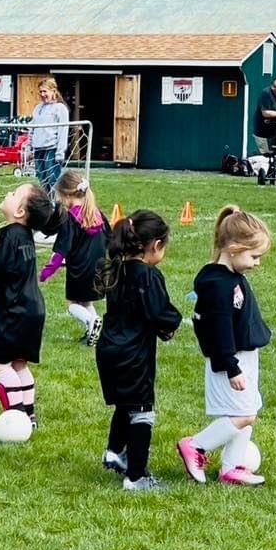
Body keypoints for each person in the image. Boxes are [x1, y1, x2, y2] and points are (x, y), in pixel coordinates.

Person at [177, 206, 274, 488]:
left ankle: (232, 467)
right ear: (233, 248)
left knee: (249, 412)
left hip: (244, 355)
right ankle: (195, 445)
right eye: (254, 256)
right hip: (230, 360)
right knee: (242, 415)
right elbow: (218, 332)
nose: (257, 263)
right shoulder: (217, 284)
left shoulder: (230, 277)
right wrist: (231, 367)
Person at [94, 210, 183, 491]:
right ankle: (136, 476)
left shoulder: (115, 268)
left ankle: (114, 452)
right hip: (134, 354)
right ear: (155, 245)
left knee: (125, 402)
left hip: (109, 349)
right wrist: (170, 325)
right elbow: (159, 312)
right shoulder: (148, 275)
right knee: (141, 409)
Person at [0, 183, 61, 427]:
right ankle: (29, 413)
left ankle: (16, 417)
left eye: (14, 194)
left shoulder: (13, 233)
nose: (8, 193)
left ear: (20, 213)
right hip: (31, 309)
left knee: (0, 363)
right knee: (19, 363)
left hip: (11, 310)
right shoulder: (23, 235)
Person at [39, 170, 109, 344]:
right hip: (99, 269)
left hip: (80, 271)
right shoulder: (97, 214)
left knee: (73, 304)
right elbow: (110, 238)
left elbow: (61, 250)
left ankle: (91, 321)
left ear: (66, 195)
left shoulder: (69, 219)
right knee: (86, 302)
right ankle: (95, 331)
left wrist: (47, 272)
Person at [29, 78, 69, 194]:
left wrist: (60, 152)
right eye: (40, 92)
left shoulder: (60, 108)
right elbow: (32, 128)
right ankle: (46, 206)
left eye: (45, 91)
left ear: (53, 91)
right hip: (38, 149)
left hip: (51, 149)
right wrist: (30, 147)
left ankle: (56, 207)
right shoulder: (38, 108)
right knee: (42, 180)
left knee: (53, 181)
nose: (43, 94)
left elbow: (63, 130)